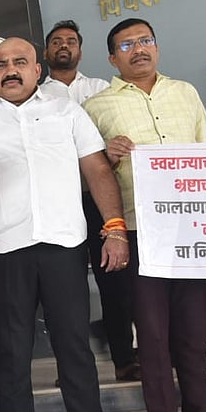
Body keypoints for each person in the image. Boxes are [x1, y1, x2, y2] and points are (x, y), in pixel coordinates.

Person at [0, 38, 144, 412]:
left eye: (19, 62)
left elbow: (98, 170)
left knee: (75, 349)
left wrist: (115, 228)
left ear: (36, 68)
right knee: (12, 353)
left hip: (64, 246)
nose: (9, 70)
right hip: (4, 252)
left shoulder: (67, 112)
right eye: (0, 64)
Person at [84, 18, 206, 412]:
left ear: (156, 47)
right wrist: (107, 153)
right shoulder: (96, 106)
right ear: (112, 57)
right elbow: (87, 172)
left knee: (193, 339)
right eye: (127, 44)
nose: (139, 49)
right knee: (154, 340)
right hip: (141, 233)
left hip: (192, 230)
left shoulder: (185, 93)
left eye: (146, 41)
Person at [42, 19, 139, 383]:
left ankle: (124, 358)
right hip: (59, 201)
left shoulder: (103, 91)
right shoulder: (37, 97)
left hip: (102, 200)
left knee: (115, 280)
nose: (64, 46)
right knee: (65, 288)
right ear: (46, 53)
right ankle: (71, 366)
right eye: (56, 42)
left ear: (81, 50)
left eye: (71, 41)